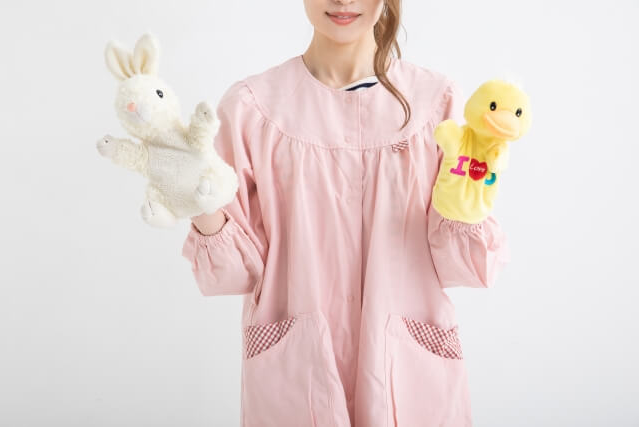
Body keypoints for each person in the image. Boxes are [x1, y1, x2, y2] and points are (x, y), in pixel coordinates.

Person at [181, 1, 510, 426]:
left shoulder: (436, 104)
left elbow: (466, 268)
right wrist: (196, 197)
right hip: (295, 369)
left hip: (408, 372)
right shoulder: (252, 108)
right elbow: (230, 275)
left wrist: (467, 205)